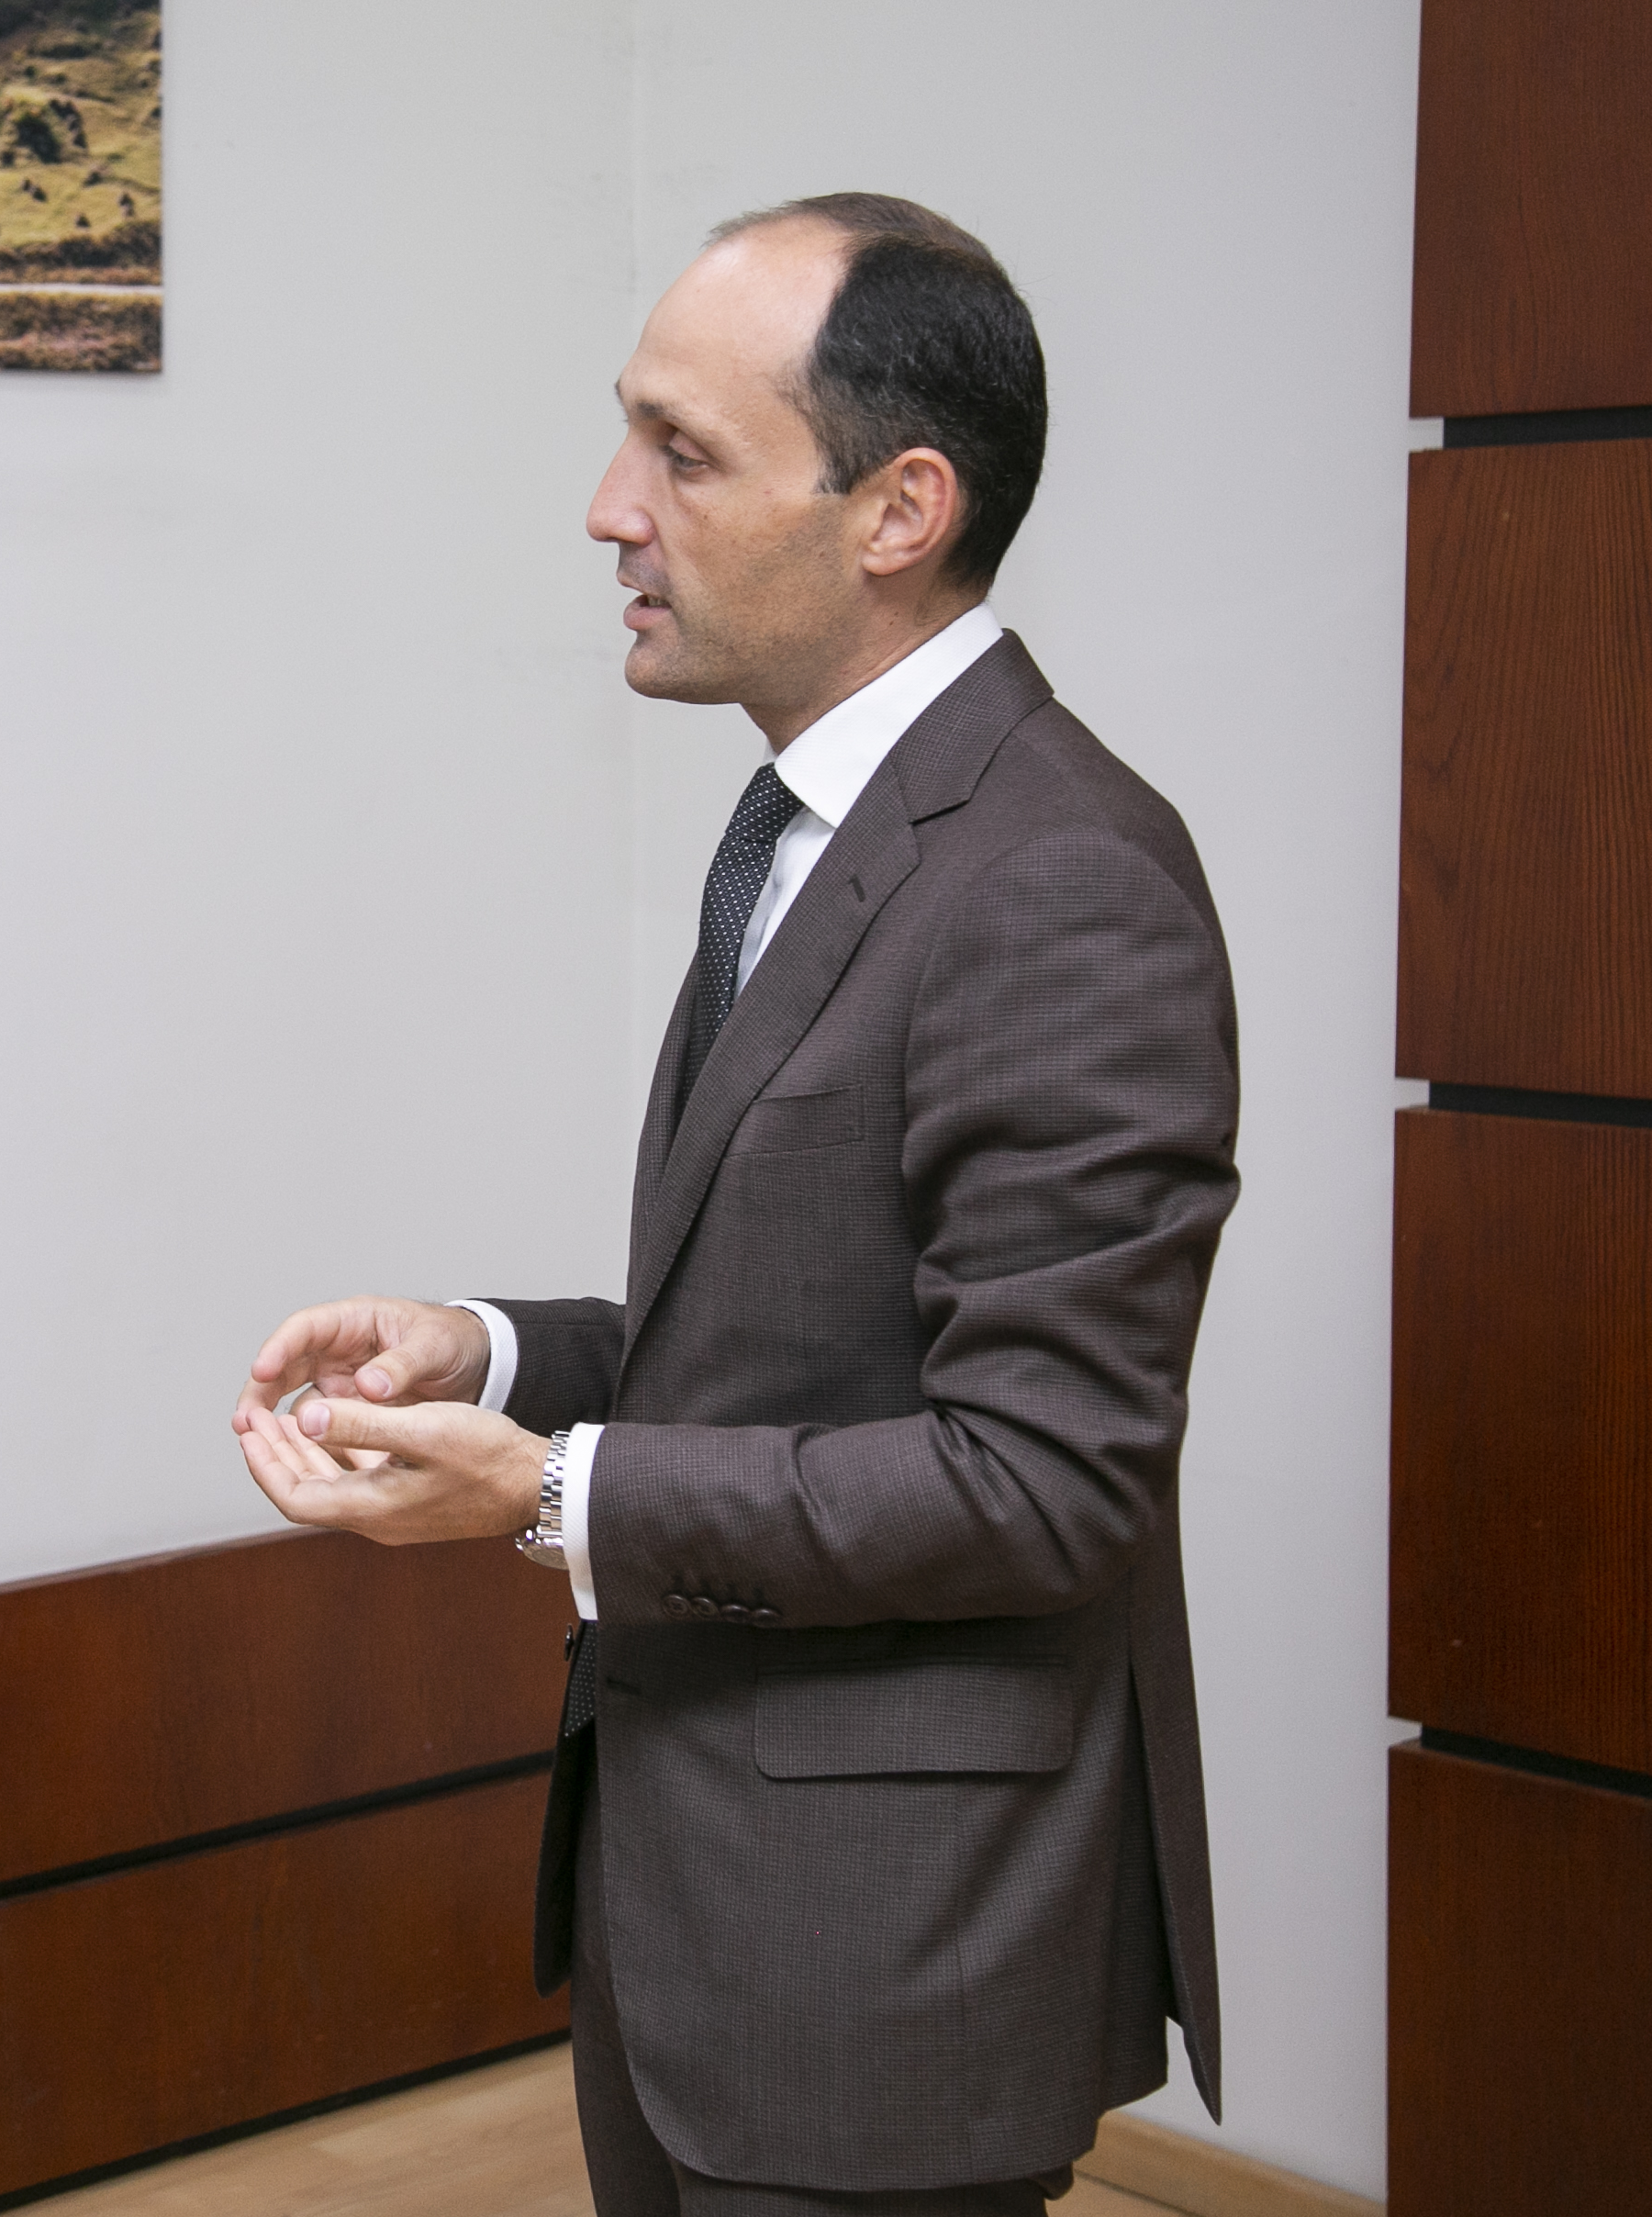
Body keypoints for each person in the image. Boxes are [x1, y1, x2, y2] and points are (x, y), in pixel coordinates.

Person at [231, 196, 1238, 2214]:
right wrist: (492, 1356)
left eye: (681, 452)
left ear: (899, 510)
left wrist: (545, 1493)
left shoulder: (1058, 877)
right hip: (703, 1897)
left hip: (886, 1947)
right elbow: (796, 1332)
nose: (610, 507)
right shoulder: (815, 818)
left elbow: (1042, 1477)